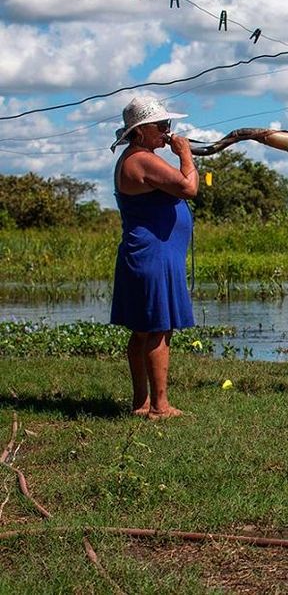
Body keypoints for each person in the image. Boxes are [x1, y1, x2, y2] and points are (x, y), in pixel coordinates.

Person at [109, 97, 197, 420]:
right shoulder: (140, 159)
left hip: (152, 254)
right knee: (158, 329)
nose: (166, 132)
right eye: (161, 126)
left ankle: (141, 402)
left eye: (167, 126)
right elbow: (188, 187)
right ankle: (160, 406)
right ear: (141, 131)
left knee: (144, 331)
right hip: (152, 255)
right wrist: (185, 156)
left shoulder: (139, 158)